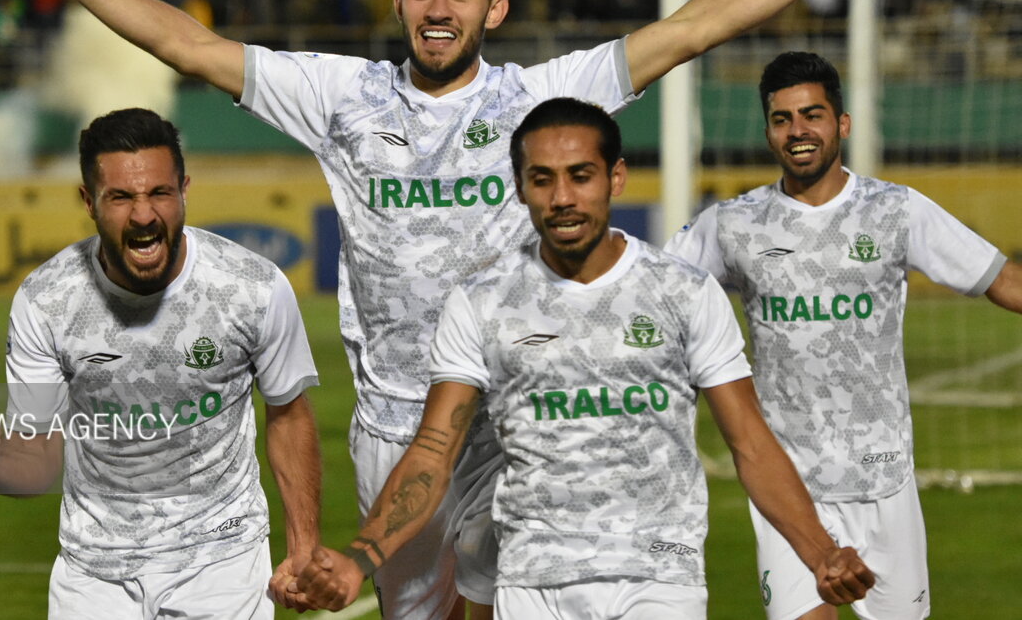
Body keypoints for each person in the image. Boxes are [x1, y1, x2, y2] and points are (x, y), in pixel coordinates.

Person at [0, 0, 901, 619]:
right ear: (398, 1)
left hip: (513, 418)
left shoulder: (536, 97)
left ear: (492, 10)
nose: (438, 7)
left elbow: (693, 29)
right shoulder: (342, 99)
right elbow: (188, 44)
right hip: (395, 427)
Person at [295, 97, 876, 618]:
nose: (562, 198)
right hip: (533, 581)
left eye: (580, 176)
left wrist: (820, 552)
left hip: (657, 573)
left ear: (615, 178)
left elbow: (749, 442)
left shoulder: (683, 292)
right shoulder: (482, 302)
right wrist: (361, 557)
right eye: (542, 180)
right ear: (519, 187)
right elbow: (433, 451)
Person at [664, 52, 1022, 620]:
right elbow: (653, 291)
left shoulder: (895, 210)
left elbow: (1003, 281)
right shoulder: (732, 223)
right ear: (768, 132)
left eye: (812, 115)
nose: (798, 130)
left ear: (843, 123)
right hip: (787, 486)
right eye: (782, 119)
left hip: (883, 478)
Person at [0, 108, 322, 619]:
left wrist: (303, 547)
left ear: (184, 190)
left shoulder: (252, 286)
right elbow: (36, 465)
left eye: (159, 193)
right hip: (93, 574)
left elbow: (289, 415)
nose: (143, 215)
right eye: (121, 197)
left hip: (222, 563)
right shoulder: (46, 301)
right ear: (89, 201)